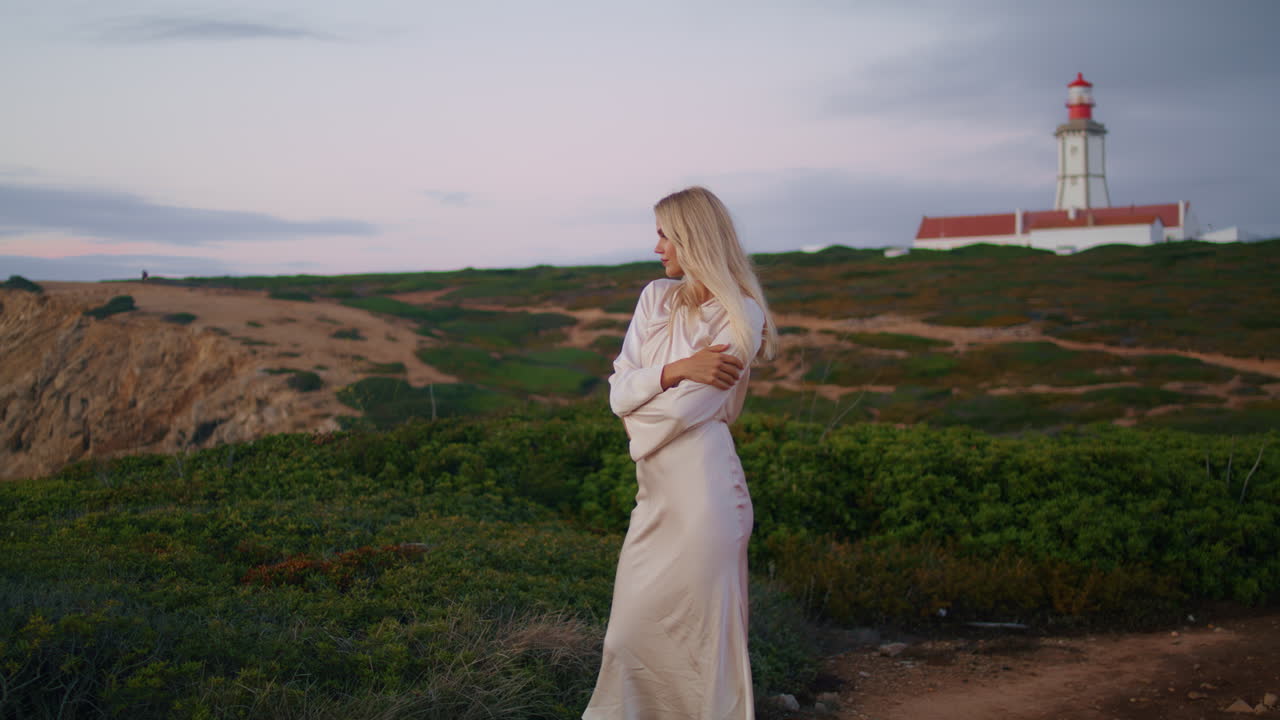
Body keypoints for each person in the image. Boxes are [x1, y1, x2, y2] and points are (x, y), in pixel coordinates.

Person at [583, 186, 777, 719]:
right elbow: (618, 391)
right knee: (627, 636)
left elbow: (687, 409)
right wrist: (675, 370)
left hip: (705, 499)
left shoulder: (742, 313)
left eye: (666, 235)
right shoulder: (656, 298)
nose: (657, 248)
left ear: (695, 238)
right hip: (654, 498)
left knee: (702, 648)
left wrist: (638, 412)